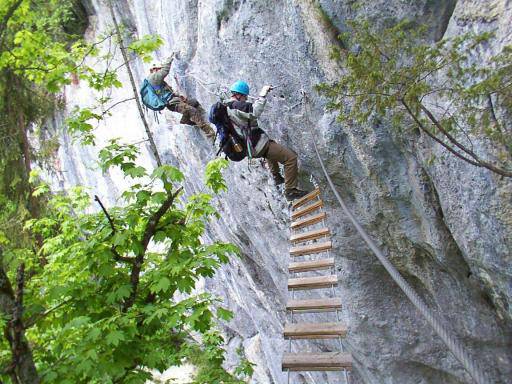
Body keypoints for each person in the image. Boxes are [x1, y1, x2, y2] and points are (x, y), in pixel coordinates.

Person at [225, 80, 310, 201]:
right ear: (239, 95)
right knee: (290, 158)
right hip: (256, 144)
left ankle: (277, 177)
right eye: (245, 96)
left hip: (249, 146)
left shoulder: (226, 107)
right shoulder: (237, 105)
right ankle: (290, 190)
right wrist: (262, 95)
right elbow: (254, 112)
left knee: (271, 147)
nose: (245, 99)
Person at [147, 55, 215, 140]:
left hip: (175, 101)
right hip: (172, 104)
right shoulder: (153, 78)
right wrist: (170, 58)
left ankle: (189, 121)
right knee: (191, 110)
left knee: (194, 103)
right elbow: (165, 71)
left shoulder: (156, 80)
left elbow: (167, 93)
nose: (160, 70)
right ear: (154, 69)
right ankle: (209, 132)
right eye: (158, 69)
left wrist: (179, 97)